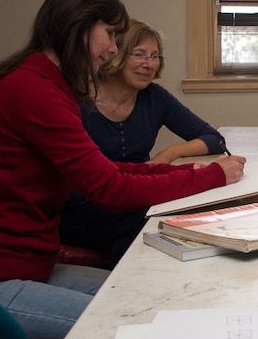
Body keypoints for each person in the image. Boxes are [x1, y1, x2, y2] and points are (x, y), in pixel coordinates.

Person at [0, 0, 247, 339]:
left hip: (32, 266)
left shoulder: (49, 85)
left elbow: (108, 169)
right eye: (109, 34)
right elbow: (109, 188)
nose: (113, 49)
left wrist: (194, 169)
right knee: (139, 329)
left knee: (150, 299)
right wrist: (210, 178)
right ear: (78, 26)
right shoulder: (36, 91)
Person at [59, 19, 227, 267]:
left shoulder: (155, 97)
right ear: (115, 55)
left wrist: (168, 154)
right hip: (81, 208)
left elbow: (214, 139)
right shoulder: (78, 99)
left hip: (135, 193)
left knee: (181, 206)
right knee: (146, 216)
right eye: (139, 55)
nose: (149, 64)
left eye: (155, 56)